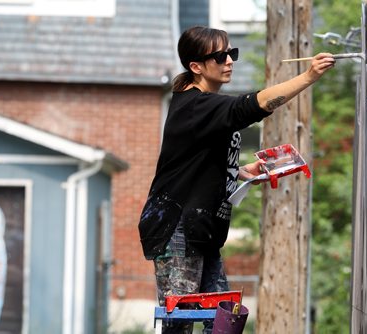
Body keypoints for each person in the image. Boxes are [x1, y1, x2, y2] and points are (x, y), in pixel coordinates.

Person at [138, 25, 335, 333]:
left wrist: (243, 171)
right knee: (180, 324)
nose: (229, 60)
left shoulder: (206, 107)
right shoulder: (196, 105)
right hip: (176, 229)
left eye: (232, 53)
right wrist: (309, 76)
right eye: (220, 56)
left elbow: (197, 161)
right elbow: (253, 105)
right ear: (196, 67)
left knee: (225, 321)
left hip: (202, 230)